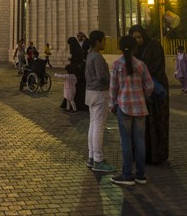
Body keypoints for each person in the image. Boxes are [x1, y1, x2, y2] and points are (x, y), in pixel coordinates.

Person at [109, 35, 154, 186]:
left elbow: (113, 88)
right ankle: (140, 175)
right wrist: (142, 95)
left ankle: (127, 175)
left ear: (120, 47)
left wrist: (112, 104)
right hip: (140, 107)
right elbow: (150, 85)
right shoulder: (141, 64)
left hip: (124, 106)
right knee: (140, 141)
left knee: (126, 142)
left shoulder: (117, 64)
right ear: (135, 48)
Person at [129, 24, 169, 164]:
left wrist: (144, 73)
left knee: (156, 121)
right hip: (141, 91)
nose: (138, 40)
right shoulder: (134, 51)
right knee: (142, 124)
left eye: (140, 37)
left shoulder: (153, 46)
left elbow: (158, 65)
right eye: (135, 38)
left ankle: (157, 154)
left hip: (156, 89)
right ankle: (143, 154)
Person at [85, 30, 115, 173]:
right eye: (103, 41)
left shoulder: (89, 55)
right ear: (97, 42)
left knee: (93, 124)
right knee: (99, 126)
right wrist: (111, 79)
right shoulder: (97, 57)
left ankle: (91, 157)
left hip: (90, 92)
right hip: (99, 93)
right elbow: (102, 77)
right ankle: (98, 159)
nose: (104, 43)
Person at [66, 32, 90, 111]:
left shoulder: (78, 49)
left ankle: (75, 106)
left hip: (78, 73)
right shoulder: (77, 48)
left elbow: (78, 60)